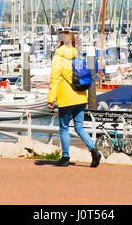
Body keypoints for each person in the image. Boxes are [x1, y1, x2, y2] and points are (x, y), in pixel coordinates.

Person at [47, 30, 101, 167]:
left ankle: (65, 158)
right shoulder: (77, 55)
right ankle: (93, 150)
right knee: (79, 127)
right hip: (81, 96)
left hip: (66, 97)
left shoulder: (58, 57)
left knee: (64, 127)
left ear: (60, 41)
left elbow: (54, 79)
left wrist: (51, 98)